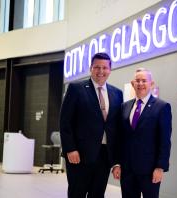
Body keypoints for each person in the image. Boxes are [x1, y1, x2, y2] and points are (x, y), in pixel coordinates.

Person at [60, 52, 123, 198]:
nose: (101, 71)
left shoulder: (117, 93)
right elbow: (65, 121)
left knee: (98, 194)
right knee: (77, 193)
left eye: (104, 68)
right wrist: (70, 148)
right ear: (91, 68)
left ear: (110, 69)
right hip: (79, 155)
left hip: (104, 155)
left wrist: (116, 160)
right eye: (97, 67)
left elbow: (117, 128)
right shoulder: (76, 89)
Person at [112, 68, 172, 198]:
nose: (140, 84)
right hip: (127, 170)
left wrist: (160, 167)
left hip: (149, 170)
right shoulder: (125, 107)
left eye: (144, 80)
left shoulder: (162, 107)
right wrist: (117, 163)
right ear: (133, 84)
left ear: (151, 83)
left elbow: (165, 141)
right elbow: (120, 138)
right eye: (137, 81)